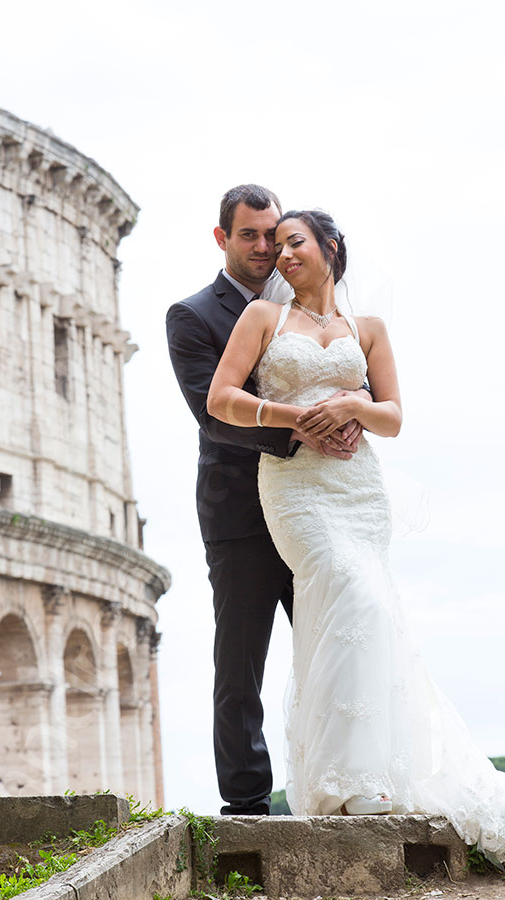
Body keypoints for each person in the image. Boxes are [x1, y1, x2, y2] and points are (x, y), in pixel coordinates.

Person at [207, 208, 505, 860]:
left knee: (368, 609)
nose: (283, 254)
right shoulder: (264, 319)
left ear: (330, 248)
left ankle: (365, 772)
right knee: (346, 590)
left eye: (295, 242)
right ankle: (344, 780)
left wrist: (352, 407)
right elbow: (221, 398)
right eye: (277, 245)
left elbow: (394, 417)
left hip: (359, 492)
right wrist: (292, 416)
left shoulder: (366, 329)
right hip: (296, 490)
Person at [166, 186, 368, 816]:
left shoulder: (306, 298)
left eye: (274, 236)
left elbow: (350, 375)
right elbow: (213, 417)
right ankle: (247, 807)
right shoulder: (193, 315)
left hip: (324, 505)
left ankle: (341, 785)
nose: (264, 249)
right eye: (250, 236)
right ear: (222, 238)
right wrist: (303, 426)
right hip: (242, 513)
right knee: (241, 663)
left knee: (339, 643)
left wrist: (352, 415)